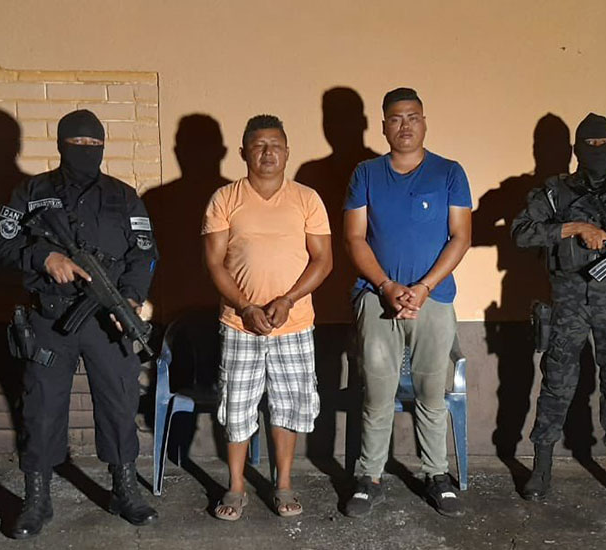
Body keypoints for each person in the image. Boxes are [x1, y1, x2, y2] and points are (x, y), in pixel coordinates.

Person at [0, 109, 159, 538]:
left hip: (107, 320)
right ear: (61, 144)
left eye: (93, 144)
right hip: (50, 319)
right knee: (42, 408)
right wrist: (43, 257)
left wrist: (131, 298)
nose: (86, 150)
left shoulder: (123, 196)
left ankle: (124, 490)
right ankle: (37, 499)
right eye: (77, 143)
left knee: (120, 403)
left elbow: (144, 253)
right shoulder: (31, 192)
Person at [510, 112, 606, 504]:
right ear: (576, 150)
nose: (597, 151)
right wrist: (575, 228)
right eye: (589, 145)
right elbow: (521, 233)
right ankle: (541, 469)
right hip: (568, 303)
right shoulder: (554, 194)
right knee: (557, 383)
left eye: (603, 144)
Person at [342, 88, 473, 518]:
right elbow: (354, 238)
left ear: (424, 122)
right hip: (377, 300)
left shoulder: (449, 172)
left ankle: (437, 475)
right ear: (383, 126)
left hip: (433, 301)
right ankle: (369, 478)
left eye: (413, 117)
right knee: (377, 393)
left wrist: (424, 288)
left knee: (432, 393)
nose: (405, 125)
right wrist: (385, 286)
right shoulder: (366, 173)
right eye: (396, 118)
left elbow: (461, 237)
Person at [202, 114, 332, 520]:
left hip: (294, 324)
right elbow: (214, 263)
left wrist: (289, 299)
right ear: (243, 153)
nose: (268, 152)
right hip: (239, 324)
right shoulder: (225, 199)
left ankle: (284, 484)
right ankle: (236, 487)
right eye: (259, 146)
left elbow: (323, 260)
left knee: (287, 407)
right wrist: (245, 306)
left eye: (275, 145)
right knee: (237, 407)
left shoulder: (307, 199)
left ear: (287, 151)